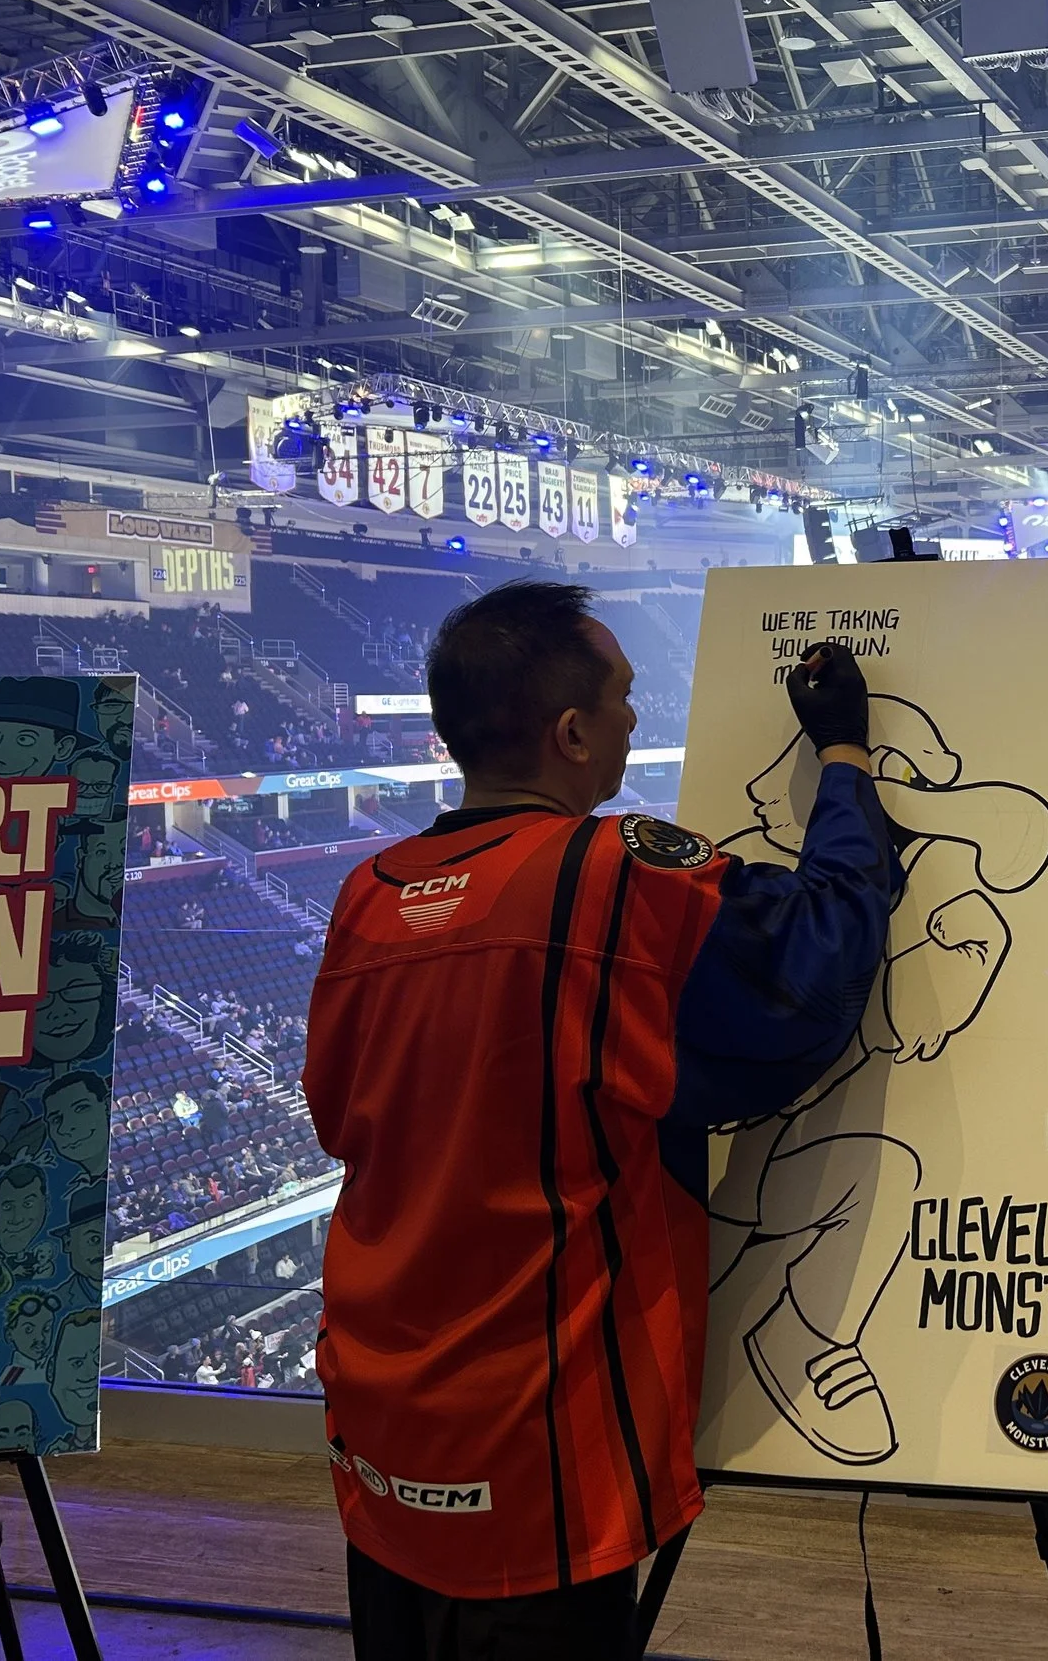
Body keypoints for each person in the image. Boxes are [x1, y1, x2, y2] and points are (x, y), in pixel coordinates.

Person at [304, 582, 900, 1659]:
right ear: (572, 733)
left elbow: (336, 1117)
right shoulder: (613, 875)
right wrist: (845, 761)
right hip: (537, 1444)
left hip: (383, 1431)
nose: (634, 721)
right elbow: (816, 965)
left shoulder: (367, 893)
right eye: (623, 700)